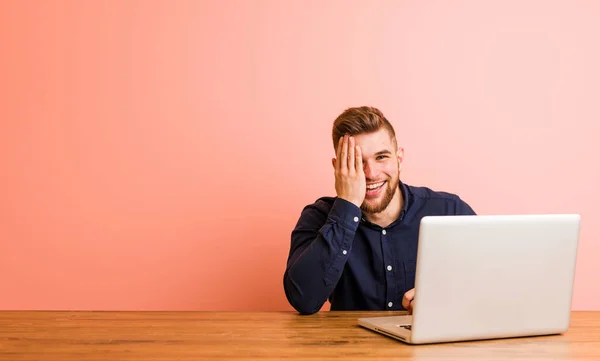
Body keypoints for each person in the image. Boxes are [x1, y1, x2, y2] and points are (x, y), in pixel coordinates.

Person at [283, 106, 476, 315]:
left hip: (428, 346)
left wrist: (441, 299)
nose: (371, 173)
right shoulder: (319, 217)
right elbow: (303, 300)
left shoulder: (450, 211)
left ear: (399, 159)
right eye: (356, 162)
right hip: (351, 346)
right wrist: (347, 204)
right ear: (338, 168)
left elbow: (493, 280)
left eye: (381, 157)